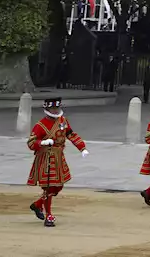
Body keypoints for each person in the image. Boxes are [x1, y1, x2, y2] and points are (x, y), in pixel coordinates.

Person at [27, 96, 89, 228]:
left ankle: (38, 204)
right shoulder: (40, 125)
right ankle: (48, 215)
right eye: (53, 108)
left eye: (57, 108)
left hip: (59, 157)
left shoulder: (63, 121)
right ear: (47, 109)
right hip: (46, 158)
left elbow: (71, 134)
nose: (55, 111)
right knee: (49, 186)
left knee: (58, 186)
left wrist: (82, 147)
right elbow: (31, 143)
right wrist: (42, 142)